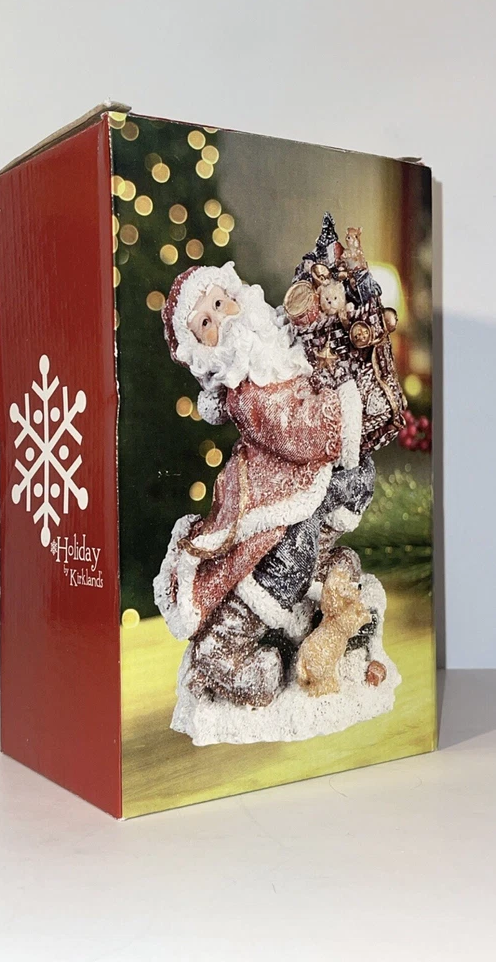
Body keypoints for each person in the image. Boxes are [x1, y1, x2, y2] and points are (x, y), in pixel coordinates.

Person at [153, 261, 374, 706]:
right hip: (274, 485)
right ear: (202, 350)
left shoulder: (272, 343)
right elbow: (296, 431)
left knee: (353, 482)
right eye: (205, 324)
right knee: (287, 543)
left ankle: (322, 582)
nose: (221, 320)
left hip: (305, 474)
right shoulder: (245, 390)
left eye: (219, 303)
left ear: (239, 297)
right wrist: (349, 407)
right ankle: (227, 648)